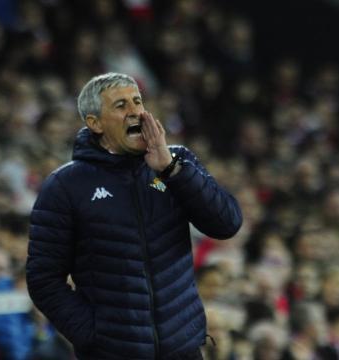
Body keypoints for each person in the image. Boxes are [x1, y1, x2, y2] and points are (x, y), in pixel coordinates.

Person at [26, 72, 243, 359]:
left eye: (137, 101)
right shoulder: (66, 186)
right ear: (95, 123)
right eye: (120, 105)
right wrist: (93, 335)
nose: (136, 112)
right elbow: (43, 278)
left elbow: (227, 224)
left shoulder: (178, 162)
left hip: (183, 349)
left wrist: (170, 169)